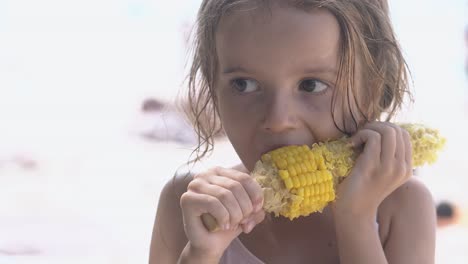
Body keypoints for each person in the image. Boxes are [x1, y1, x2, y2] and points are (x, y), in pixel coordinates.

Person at [149, 0, 436, 263]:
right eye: (243, 84)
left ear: (372, 89)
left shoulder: (401, 209)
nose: (277, 119)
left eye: (311, 85)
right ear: (213, 88)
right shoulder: (188, 207)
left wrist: (356, 221)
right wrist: (201, 254)